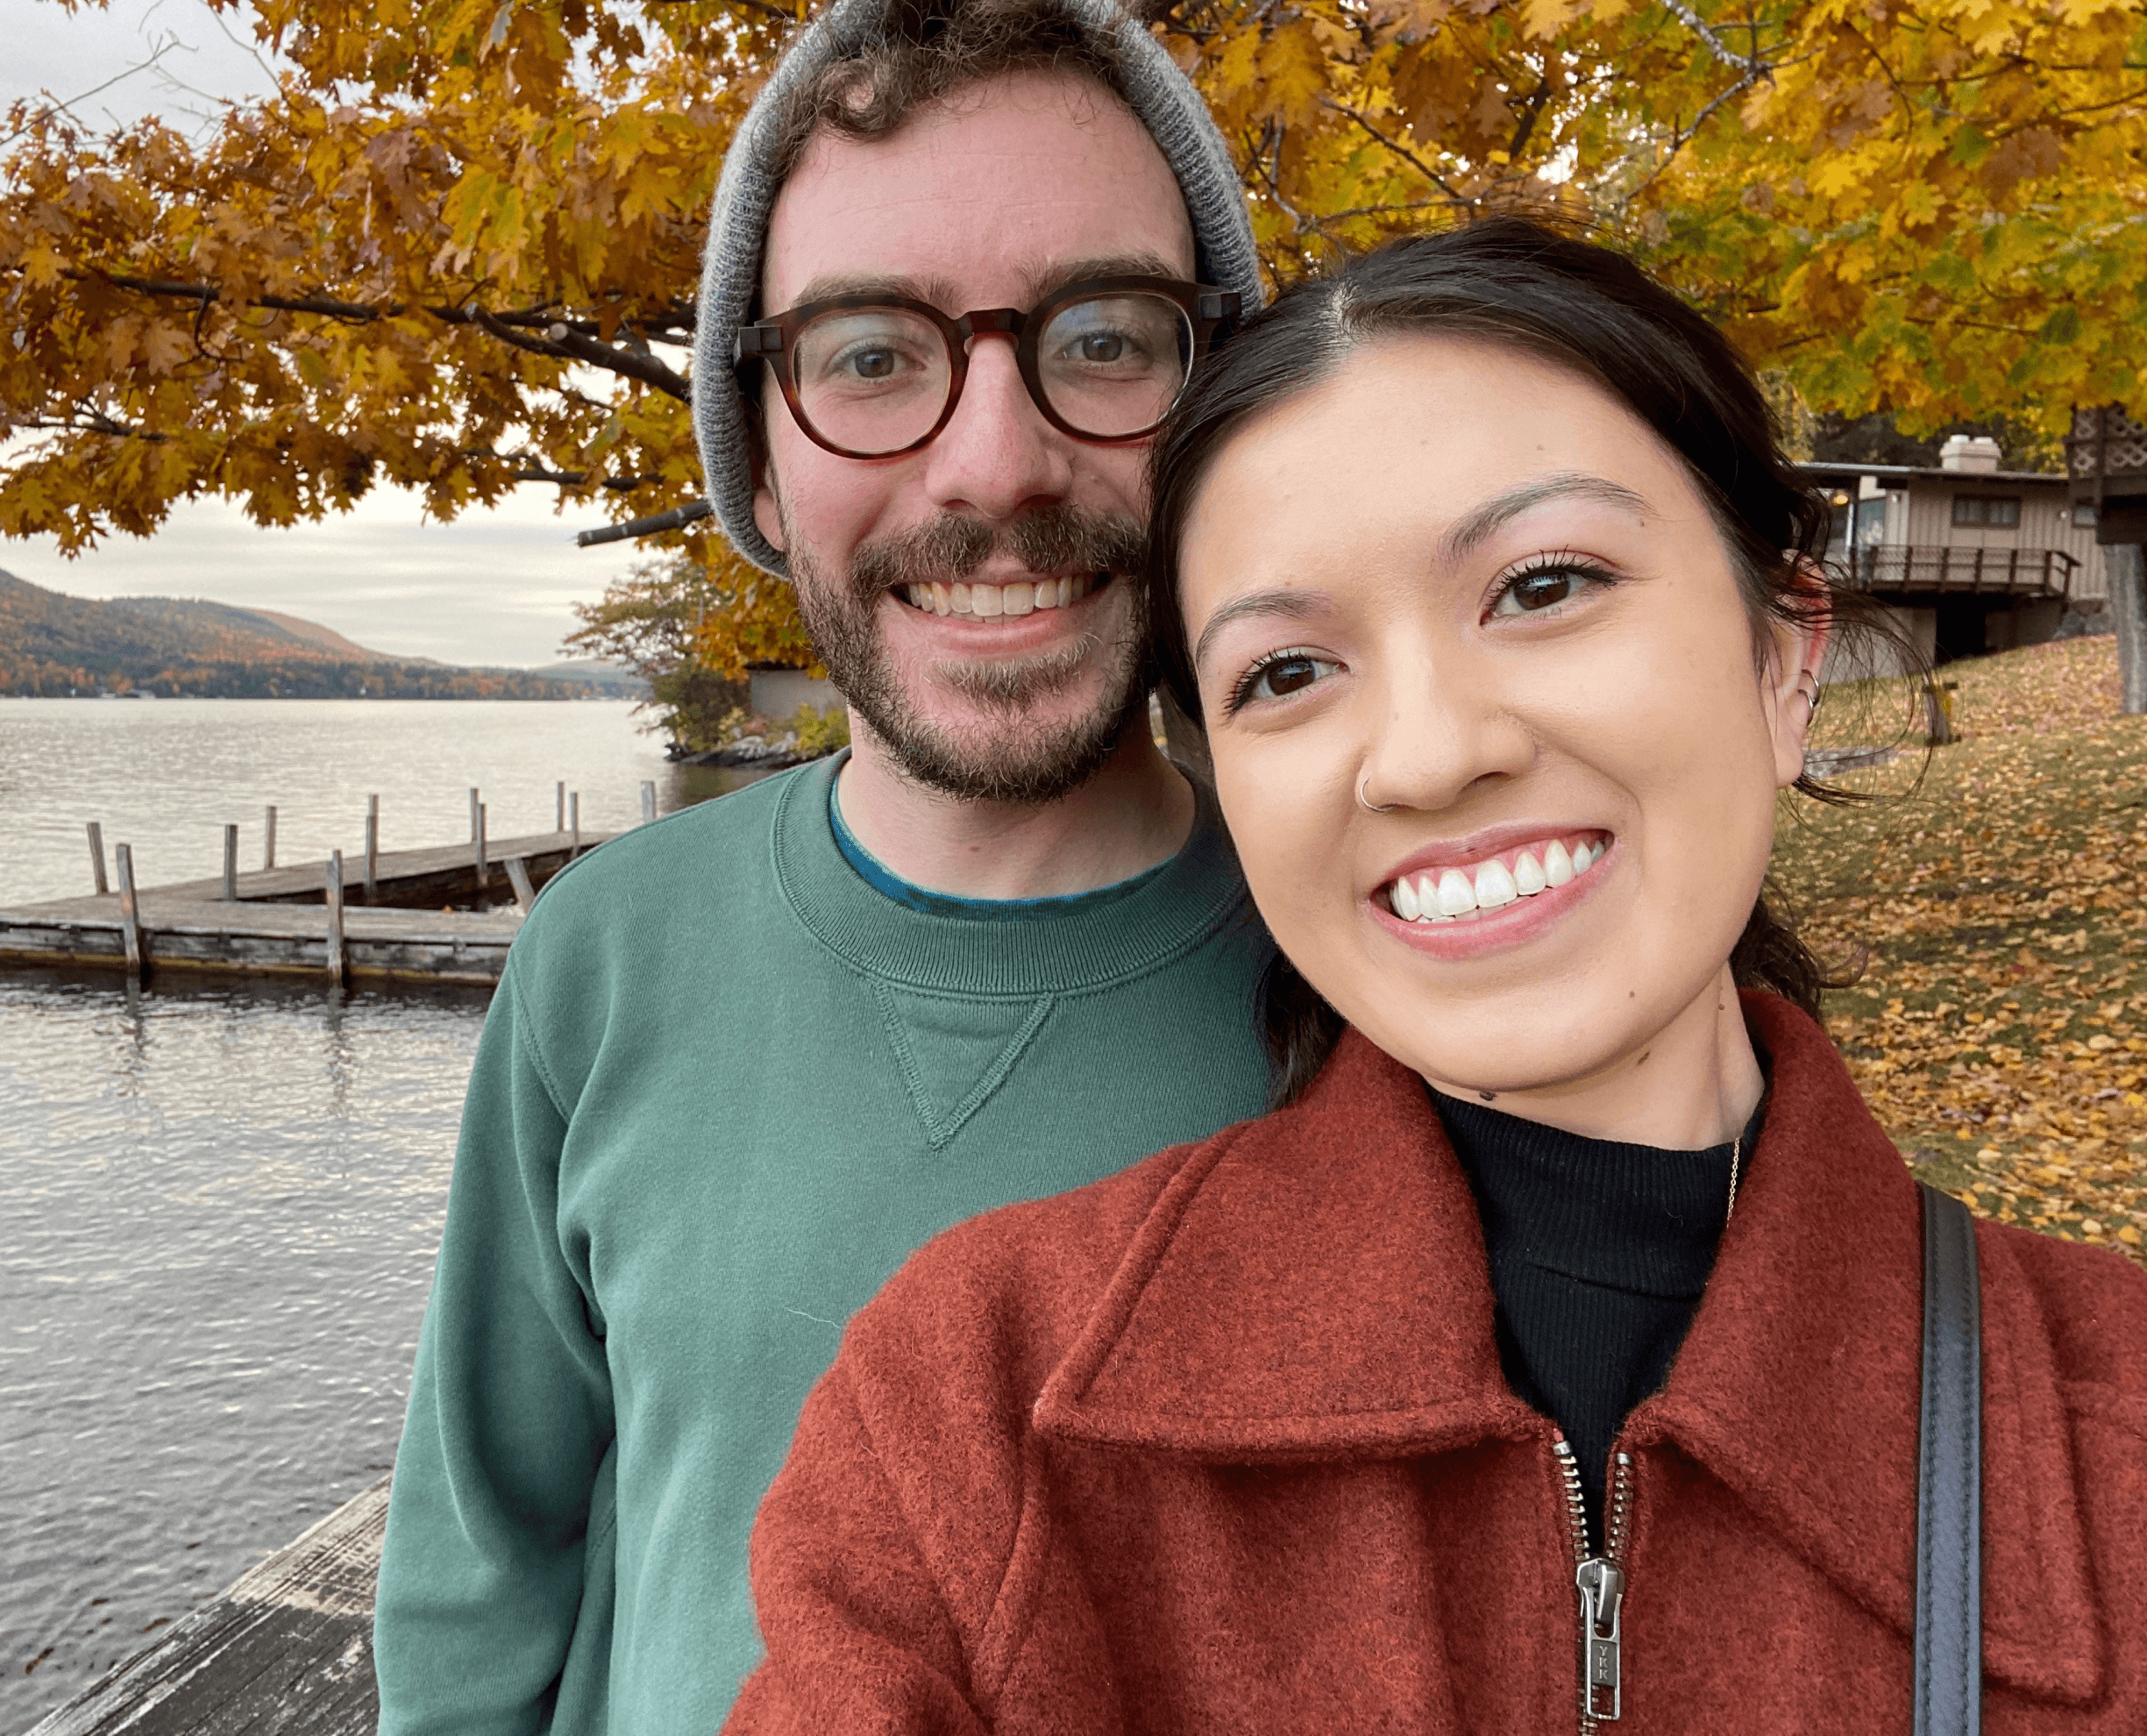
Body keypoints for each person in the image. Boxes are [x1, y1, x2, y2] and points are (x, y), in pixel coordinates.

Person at [721, 220, 2147, 1732]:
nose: (1424, 753)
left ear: (1784, 658)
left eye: (1540, 586)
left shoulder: (2105, 1422)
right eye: (1284, 672)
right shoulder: (979, 1411)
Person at [371, 0, 1280, 1732]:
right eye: (872, 356)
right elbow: (480, 1580)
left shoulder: (1376, 986)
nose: (996, 466)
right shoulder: (602, 958)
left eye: (1103, 337)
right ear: (762, 464)